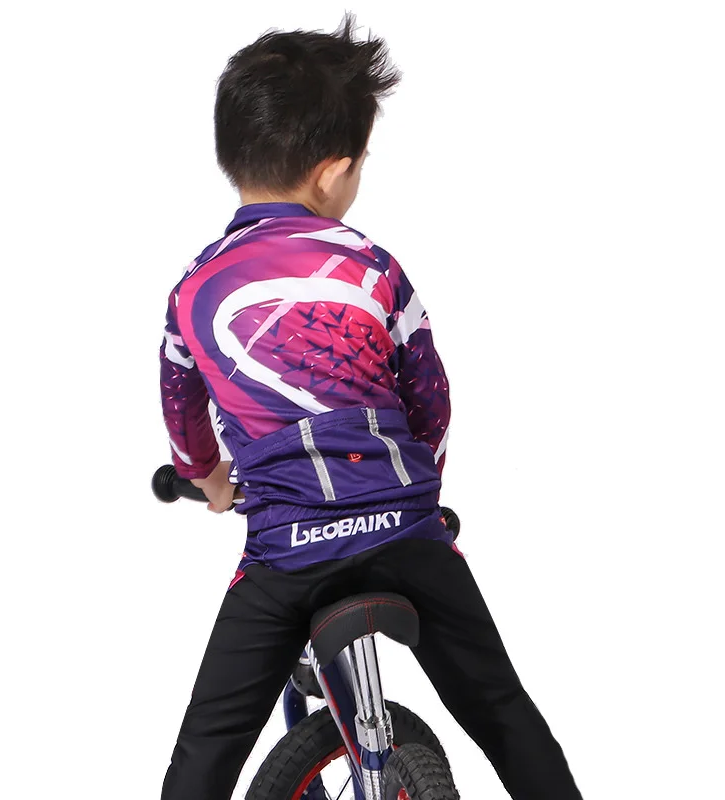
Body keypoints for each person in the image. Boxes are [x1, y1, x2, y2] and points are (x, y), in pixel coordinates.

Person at [158, 14, 583, 800]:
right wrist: (422, 493)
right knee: (500, 710)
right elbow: (431, 399)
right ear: (333, 174)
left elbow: (183, 416)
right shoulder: (375, 267)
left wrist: (210, 481)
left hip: (286, 552)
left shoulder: (194, 289)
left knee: (206, 749)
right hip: (403, 531)